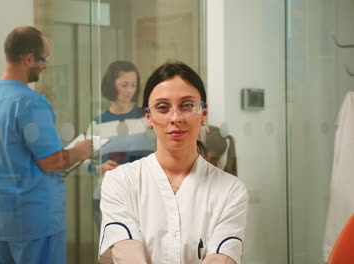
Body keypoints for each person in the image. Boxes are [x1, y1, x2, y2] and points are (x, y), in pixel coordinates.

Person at [98, 62, 248, 264]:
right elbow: (126, 253)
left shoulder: (230, 190)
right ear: (148, 117)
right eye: (163, 107)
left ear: (203, 114)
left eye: (187, 105)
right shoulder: (120, 181)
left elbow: (222, 258)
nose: (175, 118)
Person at [0, 26, 91, 264]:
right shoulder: (30, 102)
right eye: (44, 59)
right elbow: (51, 162)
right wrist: (81, 151)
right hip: (34, 222)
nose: (45, 66)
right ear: (29, 59)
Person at [85, 61, 155, 229]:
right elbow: (84, 162)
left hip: (144, 197)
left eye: (133, 85)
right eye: (124, 85)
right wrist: (100, 167)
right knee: (112, 252)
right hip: (108, 197)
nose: (129, 90)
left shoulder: (147, 117)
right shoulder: (98, 123)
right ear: (111, 85)